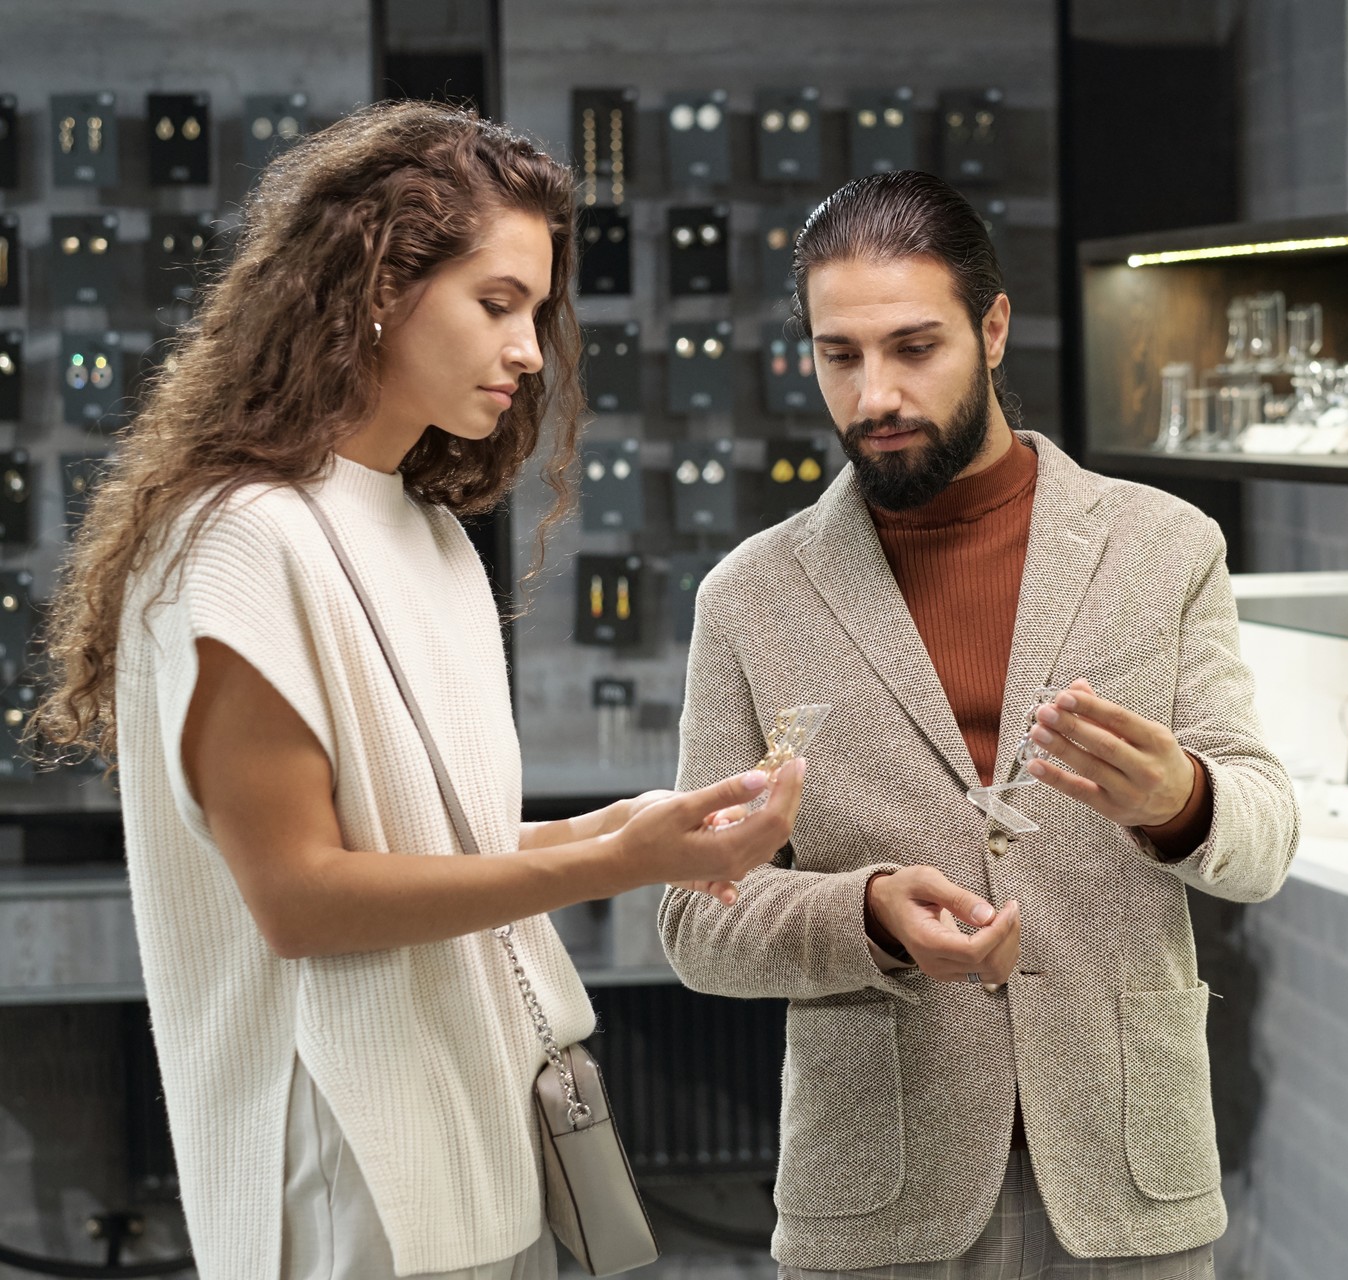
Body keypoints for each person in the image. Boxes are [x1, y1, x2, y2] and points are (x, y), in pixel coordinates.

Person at [34, 101, 802, 1280]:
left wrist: (649, 831)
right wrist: (617, 858)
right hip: (353, 1183)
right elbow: (303, 896)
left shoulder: (431, 534)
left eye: (538, 312)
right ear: (377, 283)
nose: (532, 350)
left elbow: (439, 848)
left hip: (486, 1150)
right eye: (497, 303)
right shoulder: (241, 542)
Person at [660, 170, 1299, 1279]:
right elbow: (696, 916)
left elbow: (1267, 835)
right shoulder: (749, 598)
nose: (875, 397)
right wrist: (864, 912)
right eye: (839, 356)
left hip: (1127, 1175)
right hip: (877, 1190)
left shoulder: (1166, 546)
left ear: (993, 328)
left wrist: (1181, 801)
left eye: (915, 348)